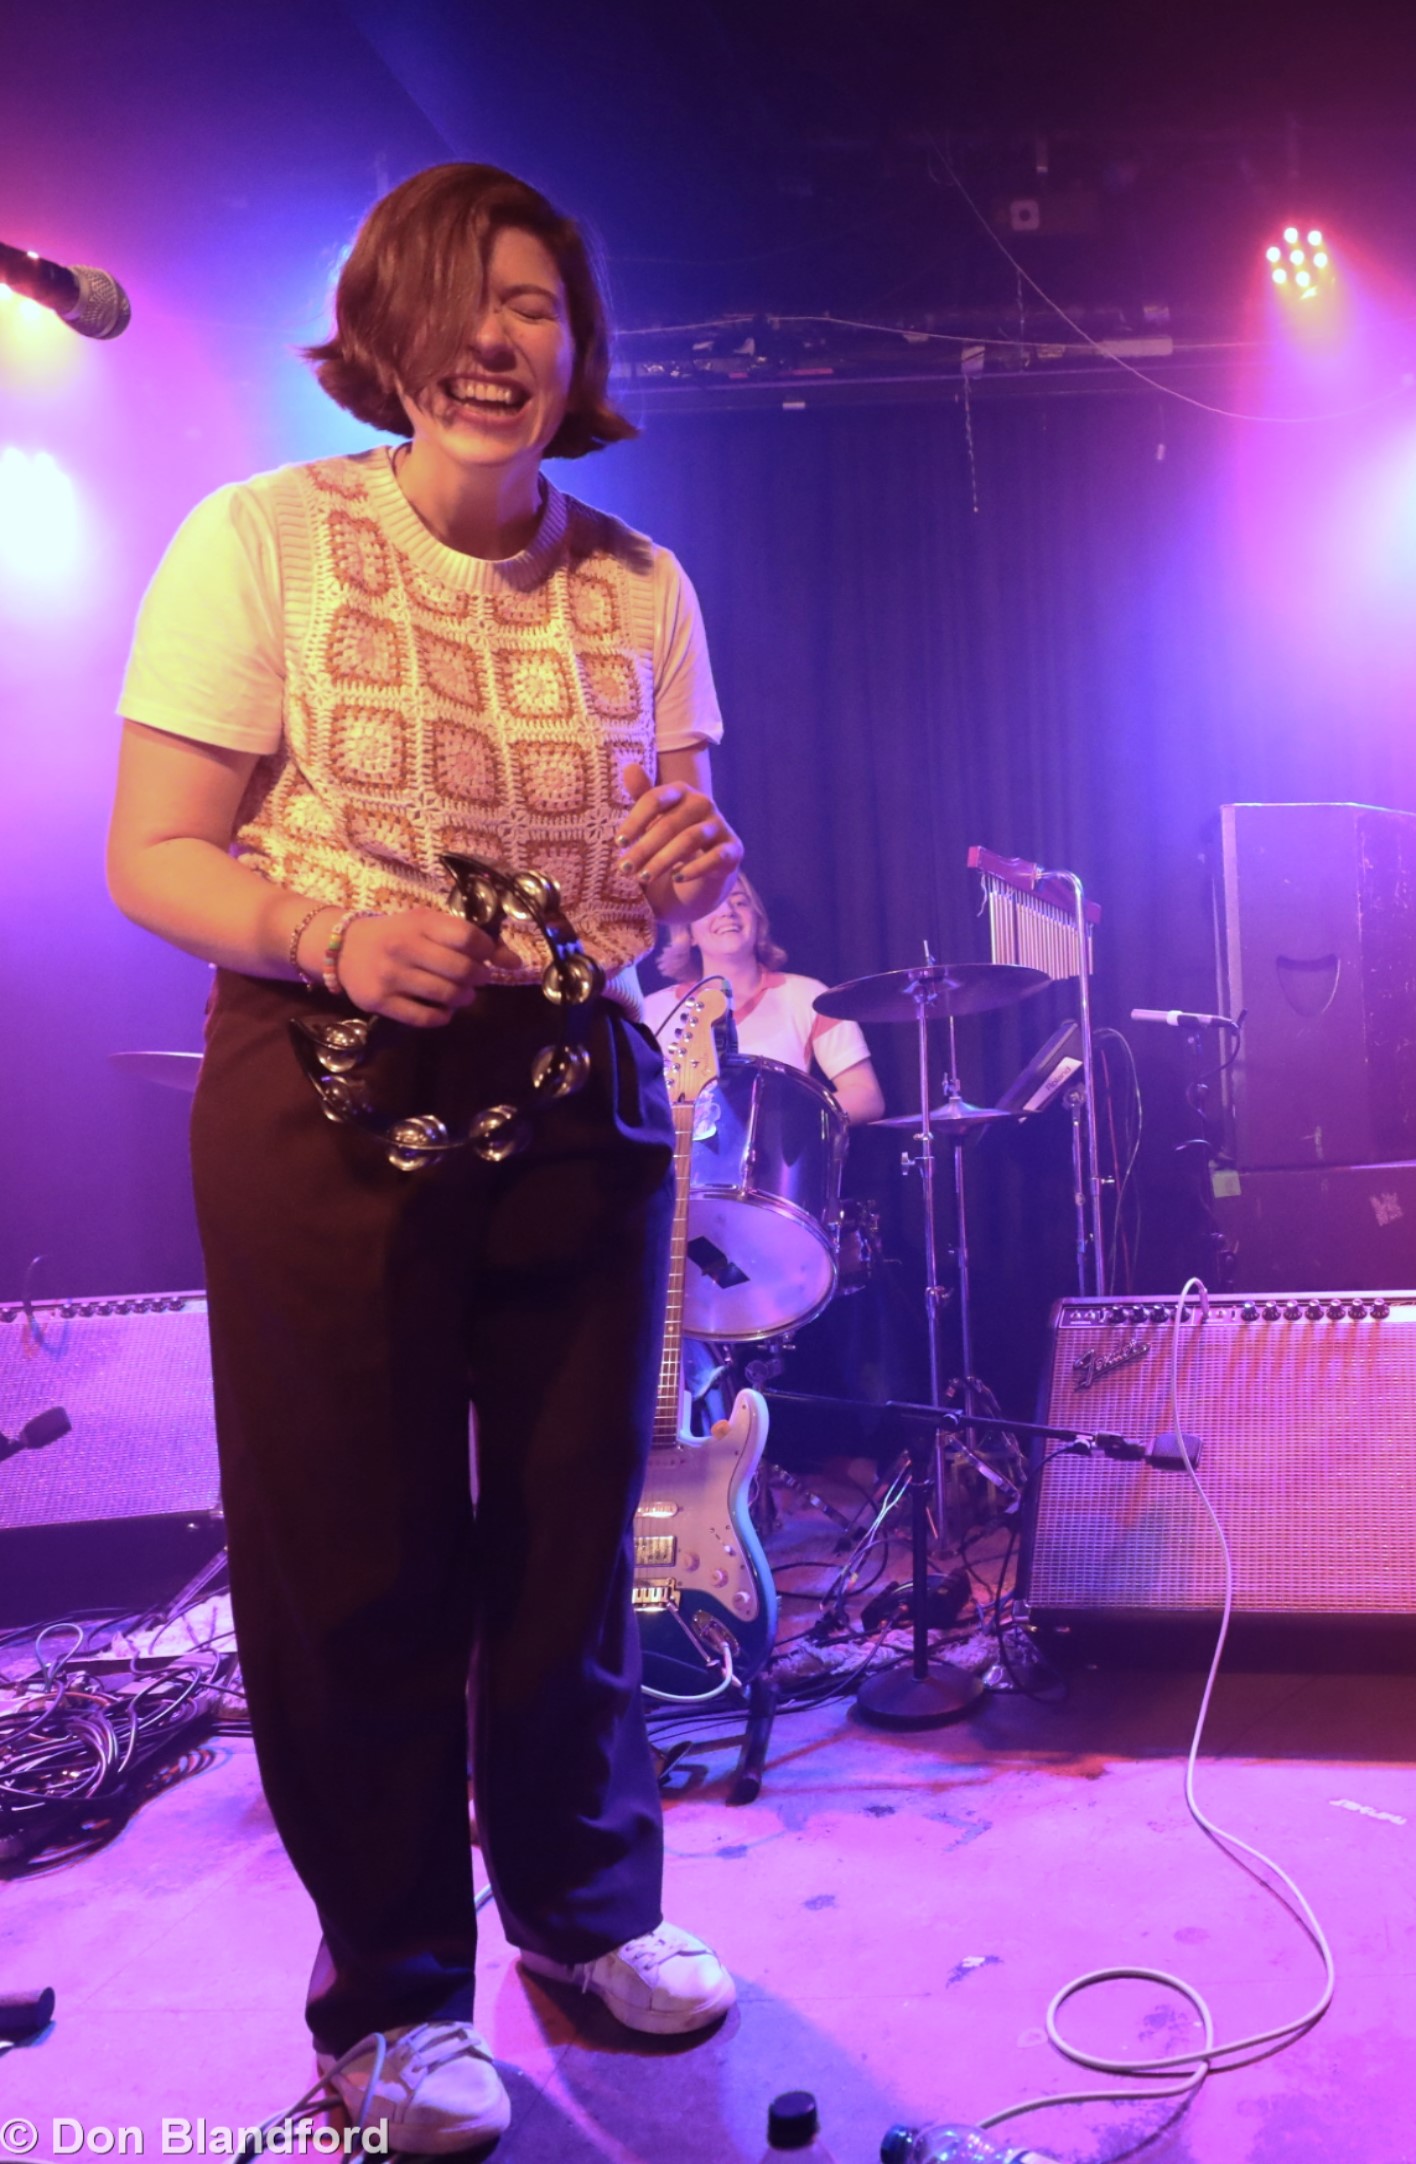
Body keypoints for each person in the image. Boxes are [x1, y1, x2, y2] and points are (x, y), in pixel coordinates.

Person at [106, 163, 747, 2148]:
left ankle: (583, 1910)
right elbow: (151, 853)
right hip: (326, 1084)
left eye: (535, 304)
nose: (496, 337)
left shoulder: (643, 581)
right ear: (385, 327)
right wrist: (328, 929)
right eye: (461, 298)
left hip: (572, 1085)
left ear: (579, 348)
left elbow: (671, 876)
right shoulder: (262, 537)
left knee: (569, 1541)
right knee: (356, 1559)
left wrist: (687, 875)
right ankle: (388, 1997)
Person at [643, 871, 886, 1123]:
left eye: (740, 902)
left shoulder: (808, 996)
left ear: (757, 921)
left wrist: (780, 1125)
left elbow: (866, 1096)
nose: (727, 912)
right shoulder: (651, 1012)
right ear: (689, 932)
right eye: (711, 904)